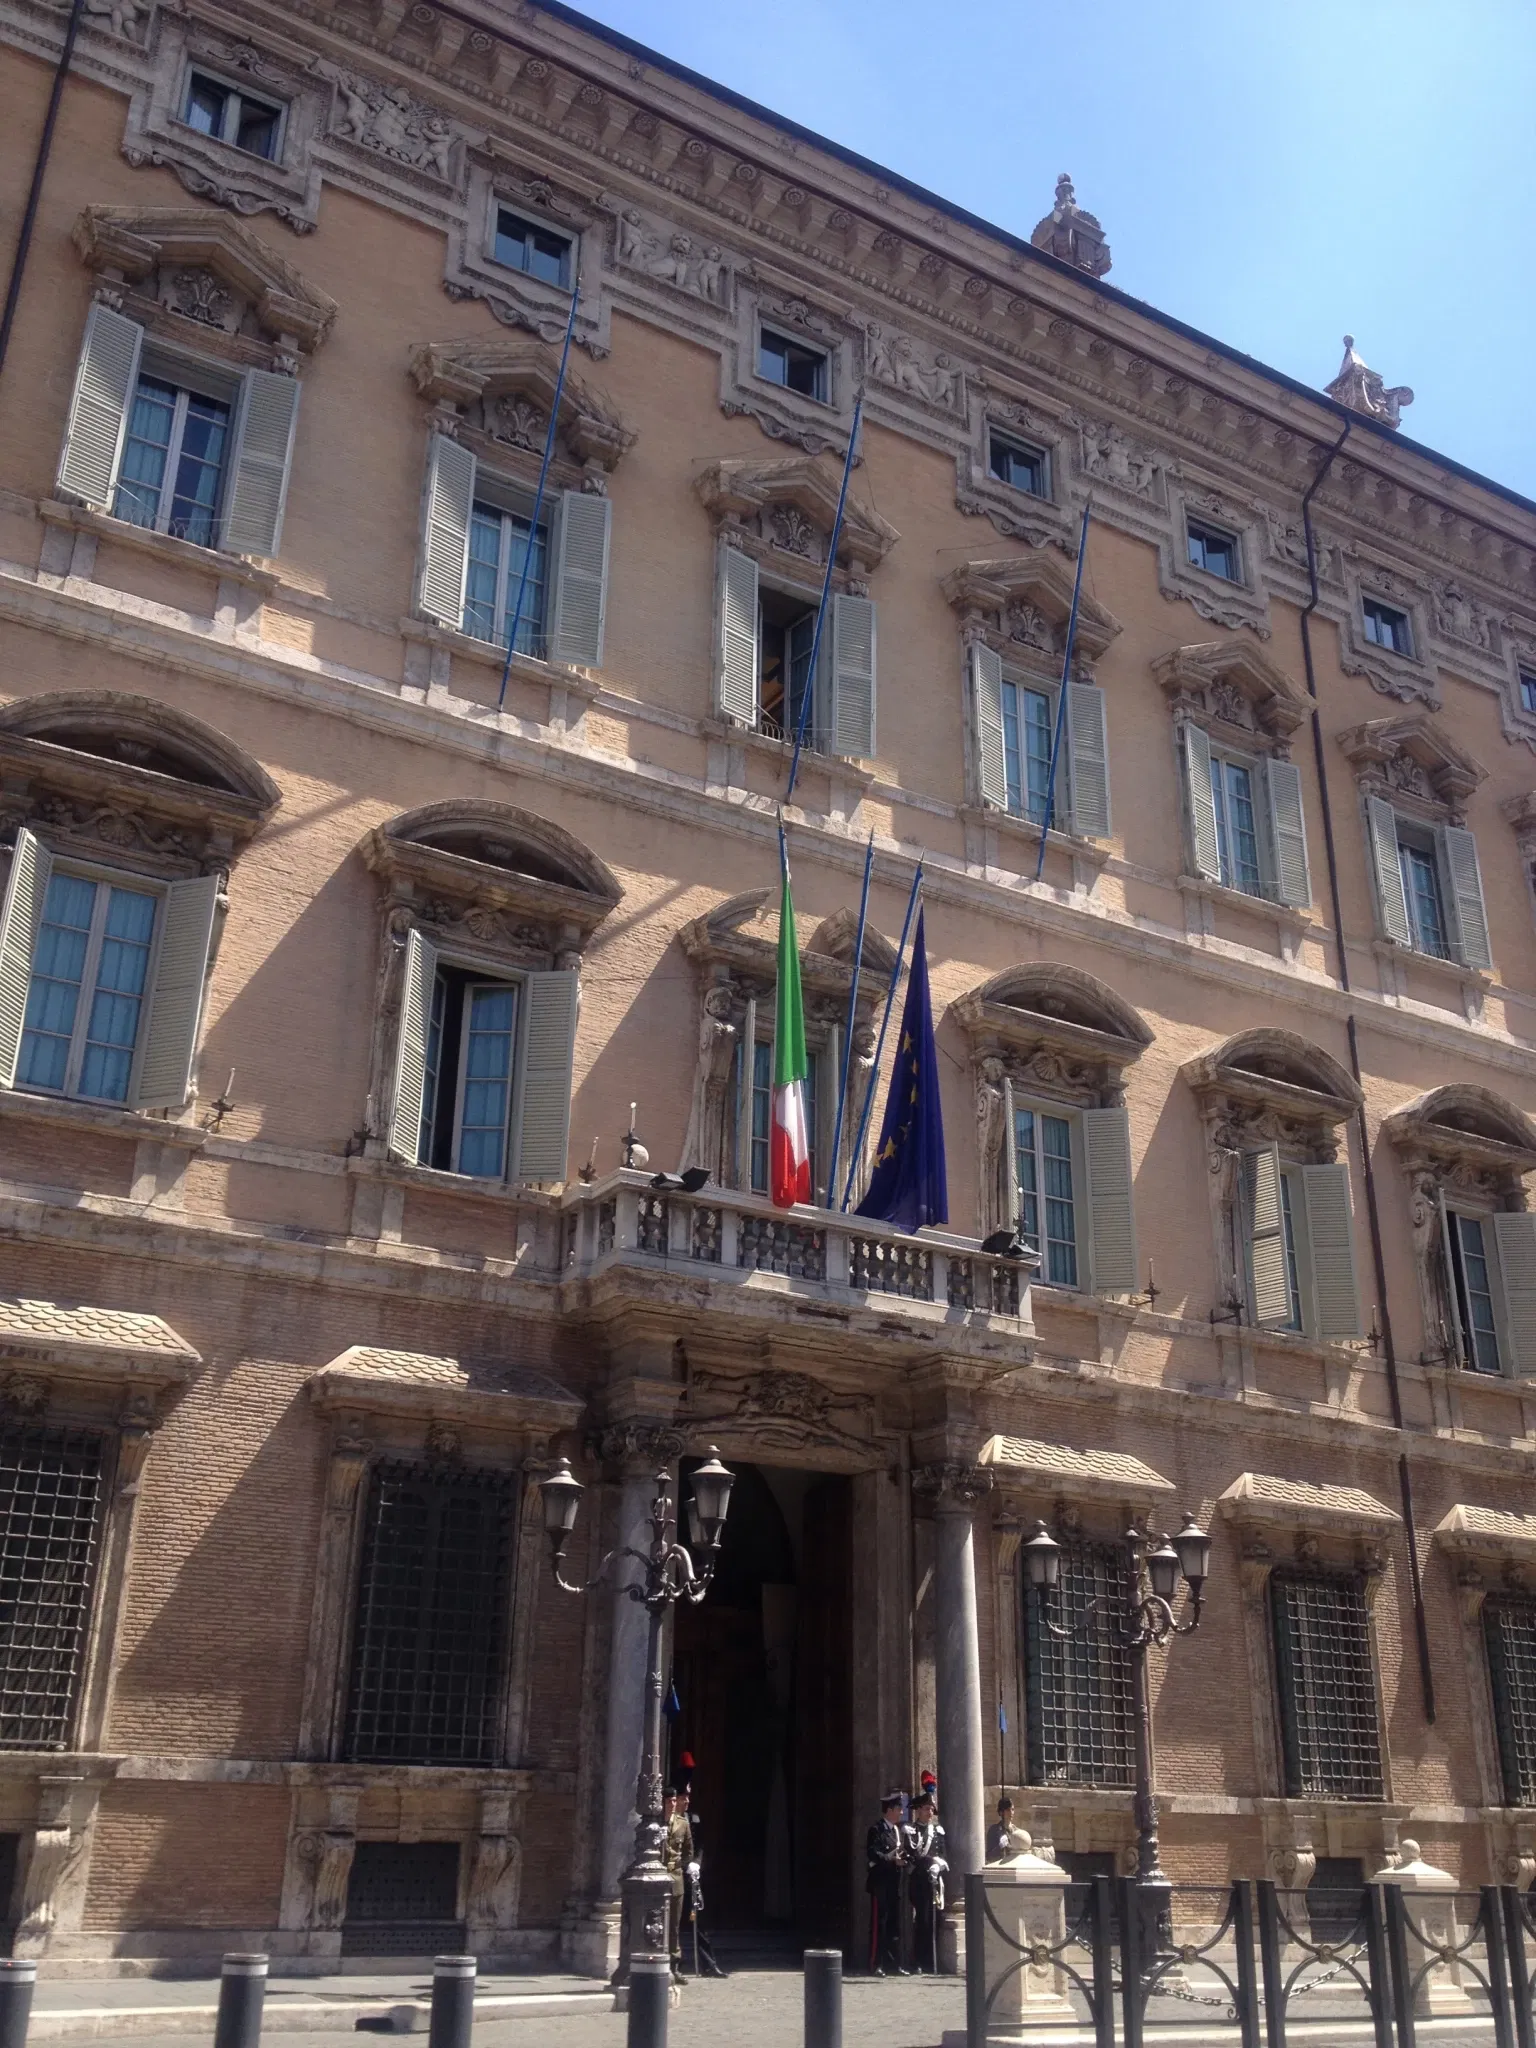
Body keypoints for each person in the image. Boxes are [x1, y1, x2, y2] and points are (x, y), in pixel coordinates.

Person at [678, 1776, 727, 1978]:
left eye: (688, 1795)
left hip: (692, 1875)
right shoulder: (669, 1820)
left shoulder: (693, 1818)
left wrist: (696, 1863)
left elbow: (700, 1844)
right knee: (674, 1923)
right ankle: (675, 1965)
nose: (687, 1800)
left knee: (700, 1920)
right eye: (684, 1796)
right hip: (676, 1874)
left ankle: (708, 1964)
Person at [865, 1791, 910, 1976]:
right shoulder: (876, 1830)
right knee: (880, 1925)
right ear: (890, 1810)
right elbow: (873, 1854)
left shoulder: (897, 1831)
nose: (901, 1813)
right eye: (899, 1809)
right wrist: (893, 1861)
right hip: (880, 1884)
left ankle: (895, 1964)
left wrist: (904, 1859)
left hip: (894, 1884)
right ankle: (877, 1964)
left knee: (894, 1925)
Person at [905, 1791, 948, 1975]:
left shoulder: (937, 1831)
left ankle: (931, 1960)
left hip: (935, 1881)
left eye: (931, 1809)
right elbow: (913, 1856)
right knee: (921, 1921)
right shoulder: (911, 1831)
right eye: (926, 1809)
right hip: (920, 1881)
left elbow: (944, 1854)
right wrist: (931, 1863)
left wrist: (939, 1865)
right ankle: (919, 1961)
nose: (930, 1813)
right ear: (918, 1811)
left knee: (934, 1920)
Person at [662, 1786, 693, 1983]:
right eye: (669, 1801)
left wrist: (684, 1867)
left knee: (673, 1924)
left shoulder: (682, 1823)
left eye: (675, 1801)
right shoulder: (655, 1823)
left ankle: (674, 1965)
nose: (673, 1804)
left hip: (676, 1877)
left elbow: (689, 1850)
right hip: (657, 1875)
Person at [986, 1793, 1022, 1862]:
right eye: (1008, 1810)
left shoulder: (1017, 1831)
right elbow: (989, 1856)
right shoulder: (994, 1830)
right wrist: (999, 1847)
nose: (1011, 1812)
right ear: (1001, 1812)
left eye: (1013, 1809)